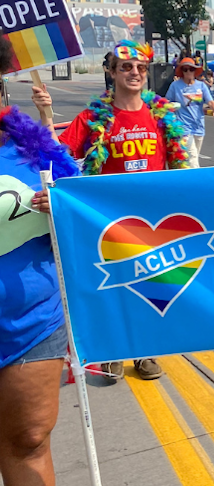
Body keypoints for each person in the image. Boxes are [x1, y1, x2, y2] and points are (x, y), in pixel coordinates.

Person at [43, 40, 192, 381]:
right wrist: (46, 115)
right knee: (114, 287)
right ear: (112, 73)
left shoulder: (162, 113)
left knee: (152, 286)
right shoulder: (94, 117)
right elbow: (56, 154)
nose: (135, 73)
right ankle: (111, 351)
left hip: (153, 217)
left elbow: (180, 165)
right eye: (126, 67)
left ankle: (145, 352)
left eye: (140, 67)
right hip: (107, 217)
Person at [0, 38, 81, 485]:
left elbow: (91, 220)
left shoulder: (34, 152)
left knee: (29, 440)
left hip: (30, 326)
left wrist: (63, 208)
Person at [166, 57, 214, 168]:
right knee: (193, 156)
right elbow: (167, 102)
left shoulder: (201, 86)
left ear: (195, 71)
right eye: (185, 70)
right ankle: (198, 180)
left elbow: (210, 100)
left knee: (191, 156)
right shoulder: (175, 86)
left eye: (191, 69)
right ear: (182, 72)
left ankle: (184, 177)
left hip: (199, 126)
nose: (188, 72)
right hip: (183, 127)